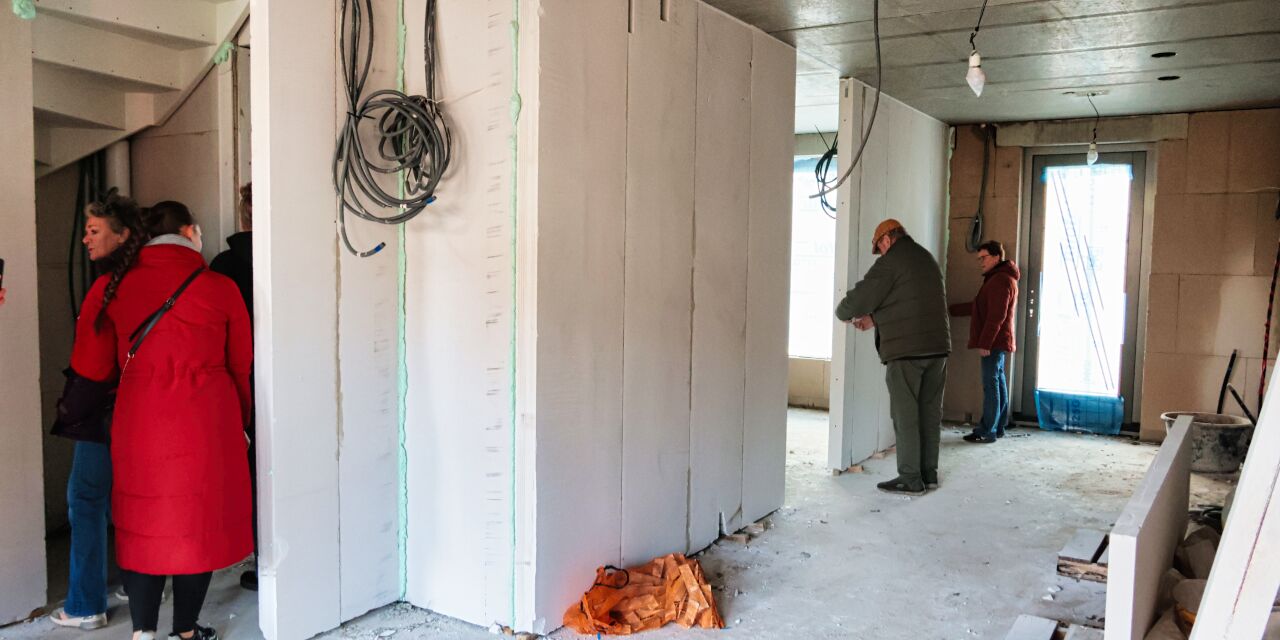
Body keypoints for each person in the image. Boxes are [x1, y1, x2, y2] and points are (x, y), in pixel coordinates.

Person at [71, 201, 253, 640]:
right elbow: (241, 364)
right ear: (191, 232)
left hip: (138, 424)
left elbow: (90, 368)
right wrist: (242, 421)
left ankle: (143, 632)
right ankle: (186, 632)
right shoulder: (219, 286)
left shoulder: (112, 288)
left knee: (142, 526)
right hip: (207, 423)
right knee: (197, 526)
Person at [49, 196, 144, 631]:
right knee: (126, 500)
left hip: (101, 410)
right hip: (137, 408)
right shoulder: (143, 279)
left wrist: (75, 401)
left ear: (121, 235)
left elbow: (91, 360)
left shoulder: (108, 287)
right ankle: (136, 581)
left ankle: (86, 604)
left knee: (85, 501)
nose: (86, 238)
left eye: (95, 230)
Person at [835, 219, 950, 495]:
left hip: (907, 352)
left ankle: (910, 479)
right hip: (937, 349)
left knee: (905, 415)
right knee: (929, 413)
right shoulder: (925, 258)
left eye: (880, 247)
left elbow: (861, 297)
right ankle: (928, 474)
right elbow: (910, 302)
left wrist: (843, 312)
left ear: (887, 239)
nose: (881, 252)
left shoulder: (893, 260)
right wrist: (875, 319)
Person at [209, 183, 257, 591]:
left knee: (253, 469)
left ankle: (262, 558)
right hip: (299, 373)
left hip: (242, 378)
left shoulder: (223, 266)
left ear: (243, 217)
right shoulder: (298, 254)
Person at [950, 240, 1020, 444]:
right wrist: (953, 310)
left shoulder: (1000, 280)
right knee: (997, 382)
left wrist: (986, 343)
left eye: (984, 257)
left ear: (996, 257)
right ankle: (997, 427)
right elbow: (981, 308)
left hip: (995, 342)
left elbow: (996, 316)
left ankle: (987, 430)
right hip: (999, 340)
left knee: (991, 385)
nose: (981, 262)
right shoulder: (1001, 278)